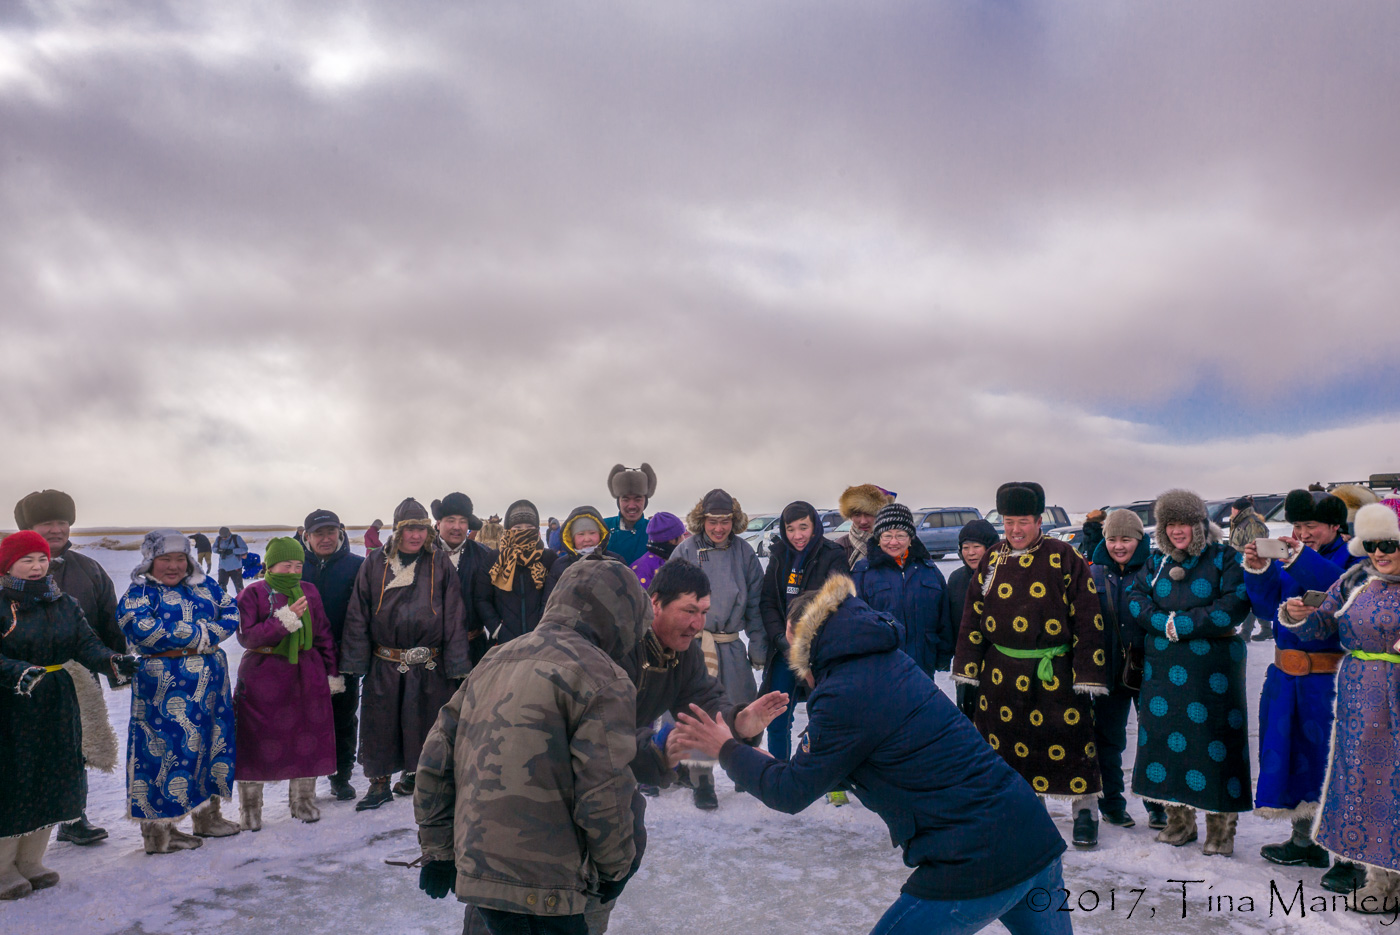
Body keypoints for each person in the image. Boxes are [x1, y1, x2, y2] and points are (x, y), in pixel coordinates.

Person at [672, 575, 1071, 935]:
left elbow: (790, 791)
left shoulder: (844, 693)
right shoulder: (885, 661)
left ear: (800, 635)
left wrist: (723, 747)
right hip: (1031, 835)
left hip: (974, 858)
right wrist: (745, 729)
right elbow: (829, 764)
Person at [414, 560, 646, 935]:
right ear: (623, 616)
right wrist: (613, 868)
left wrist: (439, 850)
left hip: (480, 871)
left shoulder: (495, 659)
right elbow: (605, 788)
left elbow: (436, 757)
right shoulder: (603, 676)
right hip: (549, 885)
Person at [951, 482, 1107, 850]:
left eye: (1023, 521)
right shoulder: (992, 559)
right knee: (1010, 744)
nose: (1015, 530)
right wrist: (966, 676)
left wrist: (1088, 675)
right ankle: (1026, 809)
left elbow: (1088, 618)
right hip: (1001, 673)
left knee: (1072, 740)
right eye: (1008, 522)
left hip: (1055, 671)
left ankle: (1085, 812)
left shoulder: (1064, 556)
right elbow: (972, 617)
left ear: (1039, 521)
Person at [1276, 502, 1400, 913]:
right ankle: (1380, 879)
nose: (1379, 553)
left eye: (1389, 544)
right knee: (1365, 784)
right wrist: (1297, 614)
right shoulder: (1356, 580)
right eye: (1372, 544)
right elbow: (1323, 621)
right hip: (1360, 698)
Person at [0, 531, 138, 900]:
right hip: (12, 705)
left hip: (59, 700)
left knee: (53, 776)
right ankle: (2, 867)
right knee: (15, 781)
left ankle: (30, 861)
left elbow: (86, 644)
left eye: (42, 559)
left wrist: (112, 661)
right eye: (26, 560)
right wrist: (17, 672)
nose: (36, 566)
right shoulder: (1, 604)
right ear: (7, 564)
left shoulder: (63, 602)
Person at [1242, 489, 1362, 891]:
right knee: (1293, 756)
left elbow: (1344, 590)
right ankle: (1305, 841)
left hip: (1331, 681)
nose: (1302, 533)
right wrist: (1259, 570)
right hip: (1286, 677)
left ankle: (1351, 857)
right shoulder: (1290, 555)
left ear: (1334, 526)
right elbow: (1263, 607)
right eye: (1297, 526)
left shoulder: (1357, 557)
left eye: (1311, 526)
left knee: (1337, 768)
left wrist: (1298, 559)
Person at [1126, 489, 1251, 857]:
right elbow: (1136, 598)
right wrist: (1160, 622)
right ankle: (1178, 822)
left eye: (1185, 523)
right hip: (1162, 672)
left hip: (1212, 673)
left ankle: (1221, 830)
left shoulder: (1224, 557)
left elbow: (1233, 604)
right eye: (1170, 524)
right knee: (1165, 744)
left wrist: (1181, 624)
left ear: (1200, 524)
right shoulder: (1155, 562)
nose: (1178, 531)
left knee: (1213, 745)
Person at [340, 498, 469, 810]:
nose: (416, 536)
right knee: (381, 724)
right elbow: (358, 612)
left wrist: (457, 665)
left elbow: (453, 615)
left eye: (421, 529)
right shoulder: (375, 564)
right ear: (398, 531)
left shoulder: (440, 565)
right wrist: (355, 662)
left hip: (429, 664)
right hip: (385, 662)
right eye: (409, 529)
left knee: (425, 722)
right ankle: (379, 783)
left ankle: (421, 777)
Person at [117, 529, 241, 853]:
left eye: (179, 559)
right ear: (150, 560)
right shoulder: (139, 593)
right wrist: (201, 635)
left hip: (211, 687)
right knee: (164, 754)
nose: (173, 566)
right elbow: (142, 628)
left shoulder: (206, 585)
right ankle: (160, 834)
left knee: (212, 746)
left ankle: (207, 818)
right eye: (165, 559)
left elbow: (230, 613)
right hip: (162, 687)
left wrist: (204, 634)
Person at [13, 488, 126, 846]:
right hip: (20, 676)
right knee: (20, 750)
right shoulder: (8, 567)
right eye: (47, 522)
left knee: (74, 745)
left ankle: (73, 817)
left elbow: (108, 619)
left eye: (62, 522)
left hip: (77, 672)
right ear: (28, 527)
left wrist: (116, 666)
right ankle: (15, 826)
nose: (57, 529)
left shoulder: (88, 569)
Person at [233, 537, 342, 831]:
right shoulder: (251, 593)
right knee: (254, 739)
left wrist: (332, 671)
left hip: (306, 672)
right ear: (270, 564)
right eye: (286, 564)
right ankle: (250, 809)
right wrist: (286, 619)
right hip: (262, 672)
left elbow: (322, 633)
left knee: (308, 735)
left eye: (298, 565)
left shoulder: (309, 591)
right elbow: (248, 637)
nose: (293, 570)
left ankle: (303, 800)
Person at [669, 488, 766, 809]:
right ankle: (702, 783)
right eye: (713, 521)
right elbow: (667, 600)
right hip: (693, 648)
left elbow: (755, 603)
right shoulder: (685, 551)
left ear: (734, 521)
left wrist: (759, 645)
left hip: (730, 644)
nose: (719, 528)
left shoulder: (744, 553)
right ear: (703, 521)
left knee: (743, 709)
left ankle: (745, 774)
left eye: (725, 521)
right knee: (697, 715)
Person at [1087, 510, 1160, 831]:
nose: (1119, 546)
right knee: (1108, 740)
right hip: (1107, 673)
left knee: (1154, 739)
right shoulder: (1092, 573)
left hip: (1148, 672)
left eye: (1126, 539)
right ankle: (1112, 803)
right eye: (1113, 539)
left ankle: (1158, 805)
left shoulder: (1155, 569)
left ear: (1139, 540)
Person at [759, 501, 848, 765]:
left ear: (815, 526)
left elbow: (837, 602)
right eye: (790, 529)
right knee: (777, 717)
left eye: (803, 527)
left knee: (825, 717)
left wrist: (810, 642)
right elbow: (768, 602)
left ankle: (829, 777)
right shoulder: (778, 555)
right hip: (784, 651)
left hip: (819, 653)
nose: (797, 535)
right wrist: (781, 639)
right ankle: (778, 772)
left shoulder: (833, 554)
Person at [301, 508, 367, 801]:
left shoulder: (358, 566)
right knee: (304, 719)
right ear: (307, 537)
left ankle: (341, 776)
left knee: (343, 718)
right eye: (318, 533)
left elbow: (367, 613)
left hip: (344, 655)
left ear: (340, 533)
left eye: (331, 532)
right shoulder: (294, 567)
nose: (325, 538)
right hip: (303, 658)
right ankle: (305, 777)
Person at [852, 503, 952, 678]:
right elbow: (855, 622)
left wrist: (943, 654)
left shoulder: (929, 570)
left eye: (900, 535)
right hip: (880, 666)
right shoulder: (863, 572)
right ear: (878, 538)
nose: (893, 542)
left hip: (922, 663)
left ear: (910, 538)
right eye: (887, 536)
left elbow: (943, 618)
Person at [479, 500, 557, 649]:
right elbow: (482, 598)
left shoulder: (549, 558)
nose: (523, 531)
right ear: (508, 529)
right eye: (517, 527)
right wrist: (497, 629)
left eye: (529, 527)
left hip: (543, 642)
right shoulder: (494, 559)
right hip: (503, 643)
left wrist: (547, 628)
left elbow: (555, 598)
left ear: (537, 529)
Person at [431, 493, 493, 666]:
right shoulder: (423, 556)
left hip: (473, 650)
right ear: (438, 524)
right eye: (450, 520)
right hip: (432, 654)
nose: (457, 527)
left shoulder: (485, 556)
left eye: (462, 521)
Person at [948, 519, 998, 719]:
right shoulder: (956, 578)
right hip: (966, 659)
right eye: (965, 547)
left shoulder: (1003, 575)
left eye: (977, 547)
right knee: (968, 711)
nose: (970, 553)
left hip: (997, 659)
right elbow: (950, 620)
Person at [544, 506, 626, 601]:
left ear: (601, 534)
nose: (587, 539)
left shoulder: (616, 562)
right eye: (581, 534)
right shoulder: (559, 567)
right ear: (572, 538)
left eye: (592, 533)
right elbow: (548, 604)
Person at [1228, 497, 1272, 640]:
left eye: (1233, 508)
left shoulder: (1253, 524)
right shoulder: (1239, 522)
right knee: (1251, 597)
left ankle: (1246, 632)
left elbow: (1257, 548)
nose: (1231, 511)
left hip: (1251, 566)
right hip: (1240, 565)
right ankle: (1266, 629)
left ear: (1238, 509)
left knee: (1250, 598)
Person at [604, 463, 657, 566]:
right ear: (618, 501)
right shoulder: (603, 527)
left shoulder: (655, 531)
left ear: (645, 501)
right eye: (625, 499)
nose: (631, 505)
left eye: (638, 499)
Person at [835, 484, 895, 570]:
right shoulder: (841, 547)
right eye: (857, 515)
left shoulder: (897, 544)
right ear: (850, 516)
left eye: (869, 514)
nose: (863, 521)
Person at [629, 511, 684, 590]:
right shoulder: (643, 569)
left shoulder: (667, 560)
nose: (684, 539)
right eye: (682, 535)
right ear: (671, 539)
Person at [213, 526, 248, 594]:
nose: (224, 538)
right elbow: (214, 548)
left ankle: (242, 602)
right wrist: (219, 550)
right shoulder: (219, 539)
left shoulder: (236, 538)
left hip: (235, 567)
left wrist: (233, 551)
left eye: (225, 536)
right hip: (223, 567)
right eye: (222, 537)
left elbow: (244, 549)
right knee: (221, 587)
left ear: (229, 533)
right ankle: (223, 602)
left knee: (239, 587)